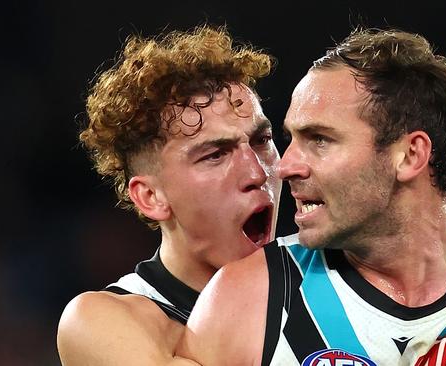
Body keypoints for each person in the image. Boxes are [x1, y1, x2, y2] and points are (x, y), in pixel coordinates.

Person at [178, 28, 446, 365]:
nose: (285, 165)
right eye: (290, 138)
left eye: (320, 140)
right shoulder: (246, 301)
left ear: (410, 155)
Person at [57, 25, 282, 365]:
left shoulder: (337, 279)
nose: (256, 173)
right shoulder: (102, 321)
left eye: (261, 141)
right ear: (150, 197)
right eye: (215, 155)